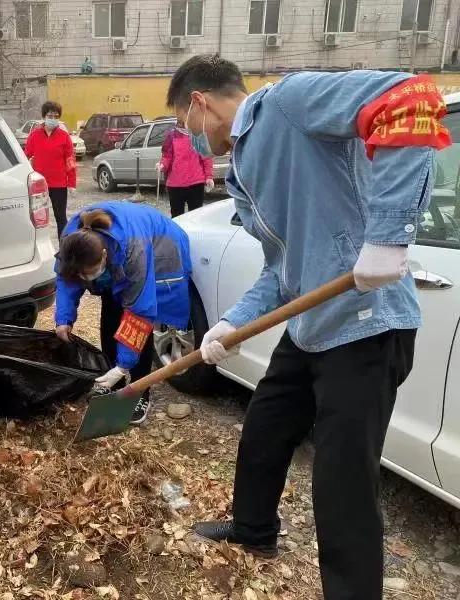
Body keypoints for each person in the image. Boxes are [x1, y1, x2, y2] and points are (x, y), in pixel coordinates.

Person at [166, 55, 451, 600]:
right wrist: (231, 322)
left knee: (341, 484)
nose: (190, 139)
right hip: (312, 327)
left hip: (367, 328)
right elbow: (282, 270)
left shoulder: (288, 105)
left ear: (199, 103)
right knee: (265, 427)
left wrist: (390, 235)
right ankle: (254, 531)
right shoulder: (244, 172)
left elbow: (410, 97)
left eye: (184, 125)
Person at [54, 202, 192, 425]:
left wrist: (124, 364)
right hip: (120, 253)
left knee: (138, 327)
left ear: (105, 256)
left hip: (160, 249)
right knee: (111, 314)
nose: (84, 278)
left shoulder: (134, 250)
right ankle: (114, 387)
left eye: (88, 273)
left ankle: (140, 392)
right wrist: (63, 319)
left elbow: (139, 314)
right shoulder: (71, 240)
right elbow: (66, 279)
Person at [25, 101, 77, 237]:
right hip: (39, 185)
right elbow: (25, 157)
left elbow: (70, 160)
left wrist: (71, 183)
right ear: (44, 116)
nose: (53, 119)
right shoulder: (34, 135)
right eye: (50, 116)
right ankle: (39, 248)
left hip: (59, 184)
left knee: (61, 219)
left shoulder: (64, 136)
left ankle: (64, 249)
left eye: (56, 116)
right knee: (37, 219)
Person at [158, 121, 214, 218]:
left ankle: (194, 234)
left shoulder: (199, 135)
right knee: (177, 217)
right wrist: (162, 165)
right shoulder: (172, 135)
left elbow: (206, 157)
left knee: (196, 217)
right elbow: (167, 156)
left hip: (196, 183)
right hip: (175, 185)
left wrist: (209, 176)